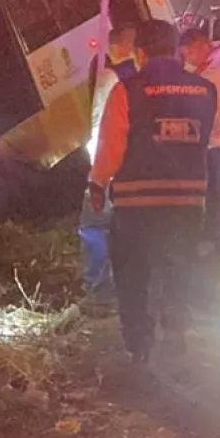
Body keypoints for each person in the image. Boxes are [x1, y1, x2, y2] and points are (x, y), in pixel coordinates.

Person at [88, 20, 217, 364]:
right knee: (178, 266)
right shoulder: (206, 89)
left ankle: (139, 345)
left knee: (133, 273)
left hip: (136, 203)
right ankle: (175, 328)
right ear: (177, 51)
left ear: (139, 53)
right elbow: (219, 136)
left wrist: (97, 184)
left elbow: (111, 148)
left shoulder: (127, 91)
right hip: (188, 200)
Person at [79, 25, 138, 302]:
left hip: (111, 166)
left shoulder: (109, 77)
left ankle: (98, 287)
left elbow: (99, 125)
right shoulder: (146, 76)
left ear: (116, 47)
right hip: (142, 167)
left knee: (96, 226)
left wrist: (97, 173)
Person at [179, 27, 220, 260]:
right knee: (213, 193)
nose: (187, 58)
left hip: (219, 141)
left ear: (202, 45)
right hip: (205, 141)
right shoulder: (203, 66)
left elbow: (198, 95)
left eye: (189, 53)